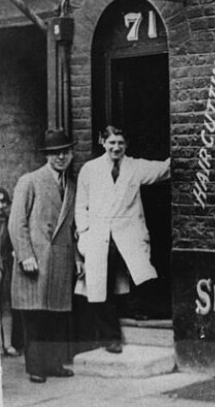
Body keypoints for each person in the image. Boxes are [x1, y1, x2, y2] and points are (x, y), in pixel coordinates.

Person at [75, 125, 170, 354]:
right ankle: (111, 336)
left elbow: (164, 169)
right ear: (102, 142)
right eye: (111, 143)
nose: (116, 147)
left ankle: (140, 310)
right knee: (100, 285)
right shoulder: (90, 170)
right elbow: (80, 205)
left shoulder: (134, 167)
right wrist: (85, 234)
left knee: (141, 275)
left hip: (128, 232)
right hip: (99, 234)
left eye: (120, 143)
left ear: (126, 145)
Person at [8, 129, 78, 382]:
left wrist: (77, 259)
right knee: (35, 315)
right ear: (47, 155)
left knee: (55, 315)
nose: (61, 157)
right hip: (35, 260)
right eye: (55, 153)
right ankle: (36, 368)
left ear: (71, 154)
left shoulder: (71, 185)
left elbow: (70, 227)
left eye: (66, 152)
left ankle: (54, 364)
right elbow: (17, 222)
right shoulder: (30, 181)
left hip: (60, 260)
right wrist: (25, 254)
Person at [0, 186, 22, 357]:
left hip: (6, 265)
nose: (0, 206)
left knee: (6, 304)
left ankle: (8, 344)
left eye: (3, 201)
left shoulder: (10, 222)